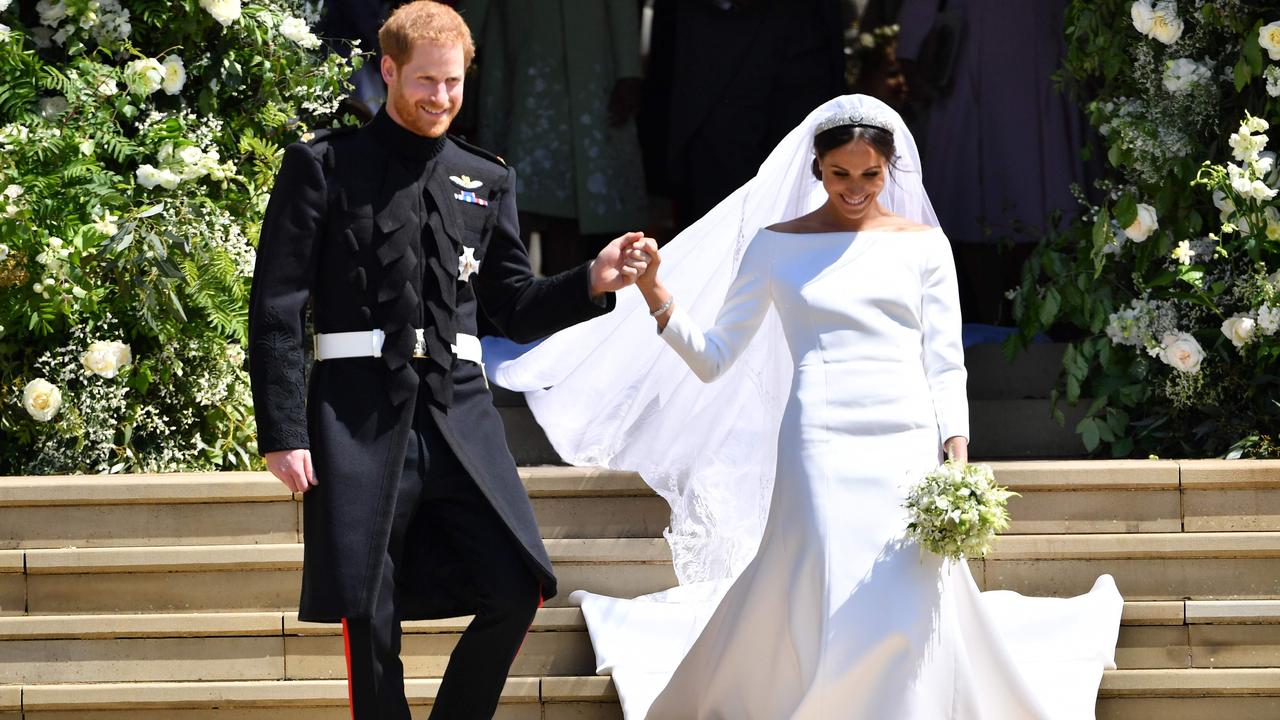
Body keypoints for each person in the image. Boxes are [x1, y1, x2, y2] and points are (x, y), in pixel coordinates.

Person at [485, 95, 1123, 718]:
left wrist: (955, 452)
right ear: (817, 168)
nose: (855, 187)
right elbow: (713, 357)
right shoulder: (774, 246)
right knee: (822, 565)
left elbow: (945, 360)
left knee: (908, 580)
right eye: (841, 173)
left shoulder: (925, 246)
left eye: (870, 175)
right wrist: (655, 293)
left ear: (890, 169)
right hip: (816, 437)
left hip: (904, 437)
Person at [246, 3, 650, 718]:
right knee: (368, 606)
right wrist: (284, 430)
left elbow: (514, 305)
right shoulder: (323, 165)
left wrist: (591, 278)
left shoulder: (486, 176)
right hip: (357, 412)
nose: (440, 98)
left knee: (517, 585)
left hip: (461, 414)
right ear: (389, 68)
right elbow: (278, 307)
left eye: (454, 83)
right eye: (426, 81)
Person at [457, 0, 648, 275]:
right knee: (507, 200)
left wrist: (629, 69)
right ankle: (506, 301)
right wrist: (452, 49)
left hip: (590, 62)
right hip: (519, 63)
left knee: (572, 211)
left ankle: (565, 306)